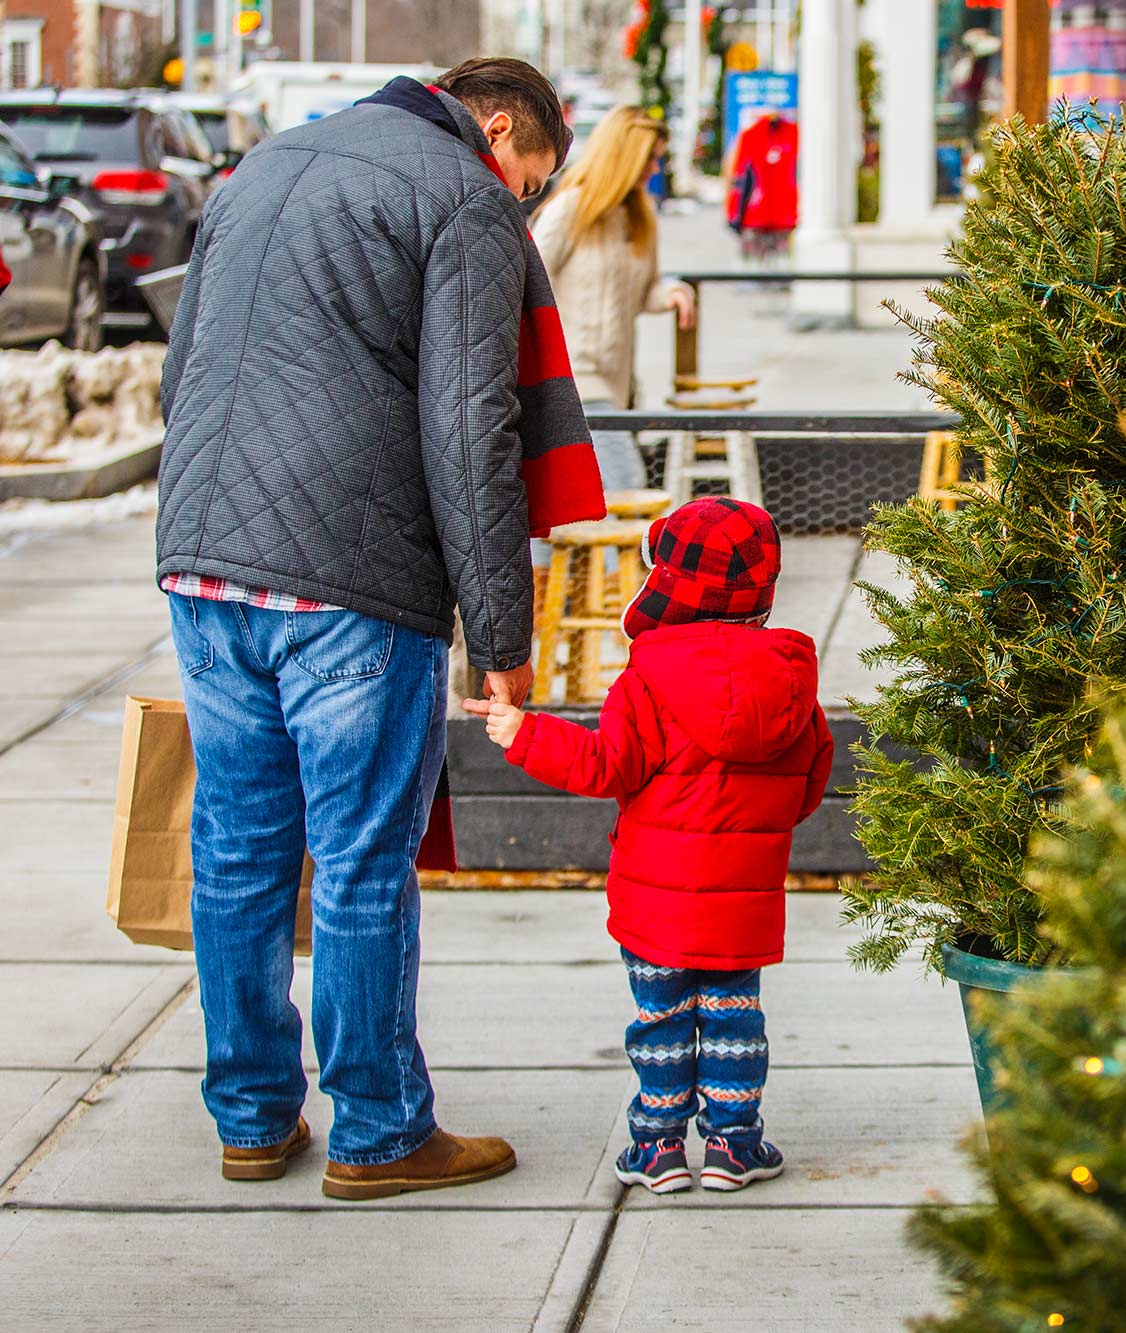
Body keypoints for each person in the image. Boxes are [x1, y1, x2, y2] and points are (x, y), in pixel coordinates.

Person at [155, 58, 602, 1199]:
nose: (531, 206)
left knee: (239, 852)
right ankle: (378, 1129)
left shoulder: (261, 165)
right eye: (535, 181)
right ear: (496, 130)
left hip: (206, 561)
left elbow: (185, 368)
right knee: (358, 862)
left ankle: (251, 1118)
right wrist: (504, 633)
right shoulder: (462, 199)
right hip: (352, 580)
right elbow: (472, 430)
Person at [466, 498, 834, 1194]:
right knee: (734, 1021)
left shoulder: (649, 678)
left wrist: (525, 733)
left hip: (654, 902)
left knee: (661, 1019)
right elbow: (809, 784)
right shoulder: (791, 683)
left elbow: (605, 765)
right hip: (743, 902)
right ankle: (734, 1144)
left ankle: (658, 1147)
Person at [529, 106, 696, 492]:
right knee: (623, 481)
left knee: (584, 494)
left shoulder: (640, 216)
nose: (655, 168)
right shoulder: (571, 210)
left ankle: (552, 555)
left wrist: (672, 291)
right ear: (624, 154)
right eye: (650, 158)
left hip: (615, 381)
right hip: (573, 377)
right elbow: (527, 282)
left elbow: (645, 289)